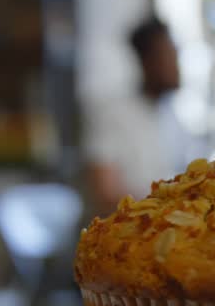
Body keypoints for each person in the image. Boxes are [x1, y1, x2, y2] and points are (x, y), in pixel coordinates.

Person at [82, 16, 199, 216]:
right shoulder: (113, 115)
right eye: (168, 56)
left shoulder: (174, 118)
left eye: (176, 55)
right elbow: (106, 195)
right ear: (147, 61)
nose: (176, 66)